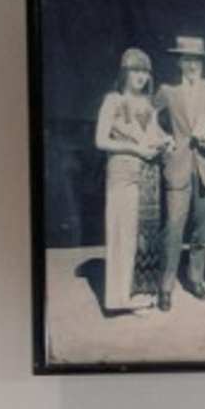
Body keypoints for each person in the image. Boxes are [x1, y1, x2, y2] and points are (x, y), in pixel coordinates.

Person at [90, 46, 164, 314]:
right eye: (136, 71)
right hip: (122, 174)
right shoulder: (113, 100)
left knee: (142, 237)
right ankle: (118, 299)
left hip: (147, 177)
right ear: (125, 73)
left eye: (145, 71)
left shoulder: (148, 103)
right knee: (122, 234)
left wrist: (165, 140)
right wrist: (136, 148)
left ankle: (137, 292)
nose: (141, 77)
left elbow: (154, 133)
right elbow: (100, 141)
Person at [154, 34, 205, 304]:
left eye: (196, 60)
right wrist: (164, 139)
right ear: (179, 63)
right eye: (187, 60)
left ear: (202, 63)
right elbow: (147, 118)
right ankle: (166, 286)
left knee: (201, 230)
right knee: (173, 227)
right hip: (178, 166)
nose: (192, 65)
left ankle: (196, 279)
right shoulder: (167, 91)